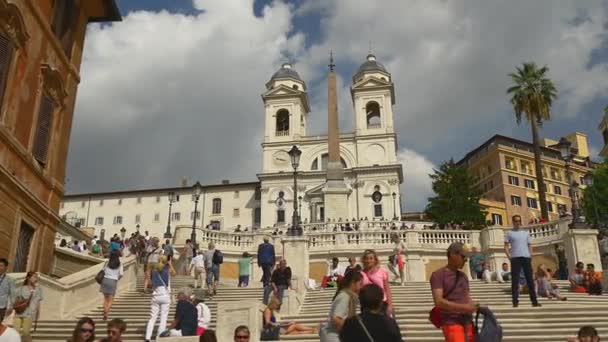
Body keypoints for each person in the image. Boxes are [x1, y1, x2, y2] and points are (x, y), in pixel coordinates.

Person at [430, 242, 478, 342]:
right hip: (452, 322)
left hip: (468, 322)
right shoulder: (438, 275)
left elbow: (467, 297)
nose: (465, 259)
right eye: (463, 256)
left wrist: (473, 306)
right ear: (452, 254)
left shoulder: (463, 276)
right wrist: (465, 308)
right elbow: (439, 301)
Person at [504, 214, 540, 308]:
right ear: (513, 222)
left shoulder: (525, 233)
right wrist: (509, 257)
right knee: (515, 281)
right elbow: (506, 246)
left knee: (530, 280)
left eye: (519, 220)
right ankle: (515, 301)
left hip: (526, 257)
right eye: (516, 221)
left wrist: (530, 255)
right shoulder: (509, 233)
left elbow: (529, 245)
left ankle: (534, 301)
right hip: (515, 258)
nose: (518, 222)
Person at [319, 270, 363, 342]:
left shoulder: (349, 296)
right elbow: (336, 319)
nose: (361, 287)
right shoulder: (345, 296)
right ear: (352, 283)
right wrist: (354, 327)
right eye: (360, 284)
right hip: (332, 336)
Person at [144, 256, 176, 342]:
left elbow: (148, 277)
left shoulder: (154, 270)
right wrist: (170, 264)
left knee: (152, 317)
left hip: (155, 296)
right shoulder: (166, 269)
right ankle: (159, 337)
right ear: (166, 262)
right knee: (163, 317)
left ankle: (148, 337)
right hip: (165, 296)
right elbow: (174, 273)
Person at [361, 249, 393, 317]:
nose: (368, 261)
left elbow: (387, 289)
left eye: (371, 258)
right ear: (363, 260)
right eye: (366, 258)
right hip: (366, 305)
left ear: (375, 260)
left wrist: (390, 305)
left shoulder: (382, 271)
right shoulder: (361, 274)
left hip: (381, 304)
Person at [13, 271, 43, 341]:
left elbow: (38, 303)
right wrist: (15, 312)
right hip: (19, 313)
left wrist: (37, 315)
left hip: (30, 313)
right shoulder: (21, 288)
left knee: (26, 332)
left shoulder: (38, 289)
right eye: (34, 277)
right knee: (15, 332)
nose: (36, 278)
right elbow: (17, 301)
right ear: (29, 278)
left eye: (36, 277)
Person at [100, 252, 124, 320]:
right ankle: (106, 311)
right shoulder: (120, 264)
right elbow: (121, 274)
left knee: (105, 299)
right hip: (113, 281)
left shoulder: (107, 262)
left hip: (105, 280)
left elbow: (102, 270)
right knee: (111, 300)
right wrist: (117, 278)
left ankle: (105, 311)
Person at [0, 258, 15, 322]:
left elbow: (13, 294)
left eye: (1, 265)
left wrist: (11, 306)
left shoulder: (10, 280)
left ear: (6, 267)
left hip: (2, 307)